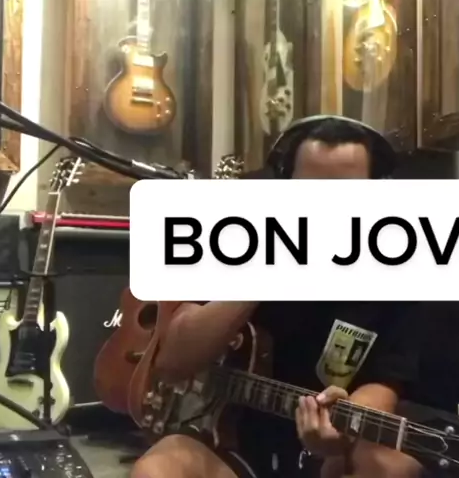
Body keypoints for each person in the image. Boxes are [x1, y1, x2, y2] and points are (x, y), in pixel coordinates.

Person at [130, 116, 424, 478]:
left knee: (393, 468)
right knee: (157, 470)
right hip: (230, 442)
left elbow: (386, 381)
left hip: (325, 456)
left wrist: (342, 430)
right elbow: (174, 360)